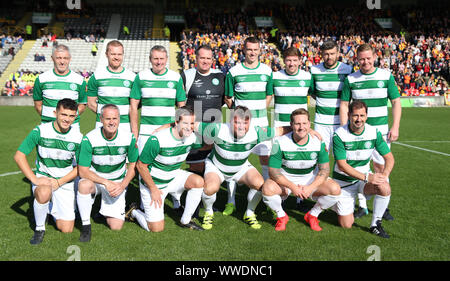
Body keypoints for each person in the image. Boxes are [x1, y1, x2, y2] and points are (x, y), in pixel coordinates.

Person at [199, 106, 291, 230]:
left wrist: (308, 131)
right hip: (216, 167)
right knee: (210, 188)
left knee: (260, 184)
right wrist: (170, 126)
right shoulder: (218, 129)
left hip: (240, 167)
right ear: (230, 121)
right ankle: (208, 211)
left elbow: (281, 130)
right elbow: (189, 123)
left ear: (250, 123)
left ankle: (249, 212)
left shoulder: (257, 132)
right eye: (237, 122)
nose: (242, 126)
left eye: (245, 123)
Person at [340, 43, 401, 220]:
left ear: (375, 57)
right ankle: (362, 205)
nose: (365, 62)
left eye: (368, 58)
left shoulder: (385, 75)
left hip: (380, 132)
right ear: (356, 59)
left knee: (381, 167)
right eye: (361, 59)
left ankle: (384, 205)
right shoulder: (351, 79)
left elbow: (396, 101)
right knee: (357, 166)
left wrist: (395, 126)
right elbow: (344, 105)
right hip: (358, 132)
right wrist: (345, 129)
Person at [14, 99, 83, 245]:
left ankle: (47, 208)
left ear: (76, 116)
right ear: (55, 113)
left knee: (67, 229)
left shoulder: (78, 137)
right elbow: (19, 156)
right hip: (44, 178)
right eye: (63, 114)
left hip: (64, 181)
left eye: (71, 116)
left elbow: (81, 167)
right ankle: (39, 229)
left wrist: (59, 182)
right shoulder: (40, 130)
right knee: (44, 191)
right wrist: (34, 179)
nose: (67, 119)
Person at [262, 108, 341, 231]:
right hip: (286, 180)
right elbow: (273, 171)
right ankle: (281, 216)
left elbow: (324, 171)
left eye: (304, 123)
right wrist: (292, 186)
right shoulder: (279, 143)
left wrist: (310, 187)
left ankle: (312, 215)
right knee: (267, 189)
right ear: (291, 125)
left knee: (335, 189)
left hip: (309, 179)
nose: (301, 127)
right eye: (297, 123)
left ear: (309, 124)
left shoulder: (318, 143)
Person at [181, 45, 237, 216]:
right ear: (196, 58)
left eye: (208, 58)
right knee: (196, 168)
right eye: (201, 57)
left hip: (215, 131)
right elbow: (180, 104)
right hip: (194, 130)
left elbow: (227, 100)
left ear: (212, 59)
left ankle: (209, 204)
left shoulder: (220, 76)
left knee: (211, 169)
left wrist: (238, 116)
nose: (205, 61)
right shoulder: (187, 75)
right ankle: (192, 205)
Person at [128, 107, 205, 232]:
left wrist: (200, 128)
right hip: (154, 183)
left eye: (192, 123)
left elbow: (210, 139)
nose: (189, 127)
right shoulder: (158, 139)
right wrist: (153, 189)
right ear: (176, 122)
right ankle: (134, 211)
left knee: (198, 182)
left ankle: (185, 220)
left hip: (173, 177)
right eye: (185, 123)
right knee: (155, 228)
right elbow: (141, 166)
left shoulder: (191, 137)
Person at [331, 100, 394, 238]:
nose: (359, 119)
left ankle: (375, 224)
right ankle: (334, 202)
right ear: (348, 115)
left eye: (362, 115)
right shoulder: (339, 135)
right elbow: (342, 165)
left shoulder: (373, 132)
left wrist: (384, 174)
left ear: (366, 116)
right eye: (355, 116)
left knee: (385, 187)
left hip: (362, 181)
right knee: (346, 224)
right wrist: (367, 177)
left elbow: (389, 158)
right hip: (344, 184)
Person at [76, 104, 138, 242]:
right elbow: (83, 171)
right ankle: (86, 225)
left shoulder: (128, 138)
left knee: (116, 227)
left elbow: (133, 166)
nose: (111, 122)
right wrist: (105, 182)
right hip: (96, 180)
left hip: (117, 182)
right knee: (84, 185)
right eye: (108, 118)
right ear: (101, 119)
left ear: (119, 119)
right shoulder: (89, 139)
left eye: (115, 118)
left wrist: (122, 185)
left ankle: (125, 211)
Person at [224, 37, 273, 184]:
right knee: (233, 159)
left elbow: (269, 95)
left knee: (265, 158)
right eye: (249, 49)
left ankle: (266, 193)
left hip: (261, 122)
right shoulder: (234, 72)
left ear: (260, 51)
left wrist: (260, 111)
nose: (252, 53)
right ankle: (231, 201)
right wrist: (239, 114)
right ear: (244, 50)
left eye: (255, 49)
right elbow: (228, 97)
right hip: (240, 123)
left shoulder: (267, 71)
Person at [130, 45, 186, 149]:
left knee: (167, 164)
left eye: (162, 59)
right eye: (155, 58)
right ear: (150, 59)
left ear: (166, 59)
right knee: (142, 164)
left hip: (169, 132)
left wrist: (180, 129)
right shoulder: (141, 77)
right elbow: (133, 106)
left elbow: (182, 107)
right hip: (146, 133)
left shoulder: (176, 77)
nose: (159, 62)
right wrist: (134, 132)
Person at [32, 44, 87, 130]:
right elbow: (38, 105)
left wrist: (68, 119)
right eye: (58, 58)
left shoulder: (79, 80)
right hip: (47, 127)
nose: (62, 62)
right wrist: (51, 119)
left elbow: (82, 105)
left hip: (72, 128)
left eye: (65, 58)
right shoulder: (41, 79)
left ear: (70, 59)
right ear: (52, 58)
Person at [87, 40, 136, 131]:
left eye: (119, 54)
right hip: (102, 126)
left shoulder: (132, 77)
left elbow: (135, 105)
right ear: (106, 54)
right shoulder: (97, 76)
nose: (116, 57)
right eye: (113, 54)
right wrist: (106, 116)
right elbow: (91, 103)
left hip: (124, 126)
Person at [272, 47, 312, 128]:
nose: (291, 63)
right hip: (279, 124)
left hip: (300, 125)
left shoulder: (308, 76)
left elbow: (315, 94)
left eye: (294, 60)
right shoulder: (274, 76)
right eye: (288, 60)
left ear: (300, 61)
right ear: (284, 61)